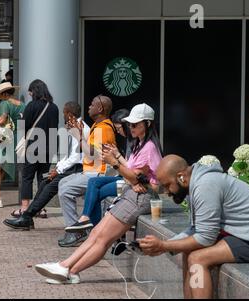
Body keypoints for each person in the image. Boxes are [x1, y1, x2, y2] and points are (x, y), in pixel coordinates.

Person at [33, 103, 163, 284]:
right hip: (132, 195)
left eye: (135, 124)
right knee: (96, 234)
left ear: (147, 124)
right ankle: (66, 267)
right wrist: (118, 158)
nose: (130, 128)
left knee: (103, 238)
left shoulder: (148, 147)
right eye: (130, 124)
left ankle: (70, 270)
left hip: (139, 199)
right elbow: (133, 176)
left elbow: (135, 177)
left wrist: (117, 164)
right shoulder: (140, 144)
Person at [139, 155, 249, 299]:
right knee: (188, 249)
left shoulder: (205, 185)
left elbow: (205, 238)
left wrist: (164, 245)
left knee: (198, 258)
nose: (166, 192)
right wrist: (166, 246)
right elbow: (196, 229)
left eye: (167, 185)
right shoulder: (197, 182)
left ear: (181, 177)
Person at [3, 101, 90, 230]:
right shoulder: (73, 126)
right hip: (70, 166)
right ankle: (28, 217)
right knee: (44, 181)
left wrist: (59, 170)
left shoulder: (81, 127)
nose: (63, 116)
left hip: (77, 168)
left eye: (64, 113)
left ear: (70, 114)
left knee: (49, 187)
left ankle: (27, 217)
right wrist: (57, 168)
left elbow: (76, 156)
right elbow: (68, 154)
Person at [56, 95, 117, 247]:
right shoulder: (98, 126)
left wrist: (77, 136)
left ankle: (76, 232)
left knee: (65, 190)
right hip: (90, 171)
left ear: (100, 108)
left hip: (97, 173)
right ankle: (78, 227)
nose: (88, 107)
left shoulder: (103, 128)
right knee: (63, 182)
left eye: (91, 105)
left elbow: (92, 154)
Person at [64, 108, 131, 233]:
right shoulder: (129, 140)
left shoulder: (104, 128)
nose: (118, 131)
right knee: (93, 185)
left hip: (127, 180)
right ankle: (90, 224)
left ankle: (91, 226)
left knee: (85, 189)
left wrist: (116, 157)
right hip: (123, 177)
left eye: (119, 128)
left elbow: (92, 155)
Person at [10, 80, 59, 217]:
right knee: (43, 177)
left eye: (30, 91)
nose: (30, 94)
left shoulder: (31, 106)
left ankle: (25, 208)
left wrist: (22, 118)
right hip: (49, 147)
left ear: (35, 91)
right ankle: (40, 208)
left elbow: (23, 128)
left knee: (27, 177)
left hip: (33, 146)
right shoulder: (54, 107)